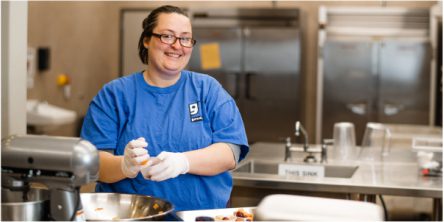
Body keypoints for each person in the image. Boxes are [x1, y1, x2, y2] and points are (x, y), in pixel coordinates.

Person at [80, 5, 249, 211]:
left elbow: (230, 152)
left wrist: (183, 162)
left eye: (185, 38)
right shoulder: (114, 95)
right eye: (167, 36)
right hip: (131, 216)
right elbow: (94, 163)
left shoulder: (207, 89)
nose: (177, 46)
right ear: (146, 40)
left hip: (199, 216)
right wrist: (125, 166)